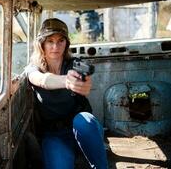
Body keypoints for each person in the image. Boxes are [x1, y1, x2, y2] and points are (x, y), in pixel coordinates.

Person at [25, 18, 108, 169]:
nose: (55, 46)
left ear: (66, 43)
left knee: (84, 120)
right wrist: (66, 81)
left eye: (60, 41)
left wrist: (83, 83)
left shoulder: (75, 65)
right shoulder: (33, 68)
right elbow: (41, 80)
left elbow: (85, 82)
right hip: (54, 135)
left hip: (84, 131)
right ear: (41, 44)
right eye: (50, 41)